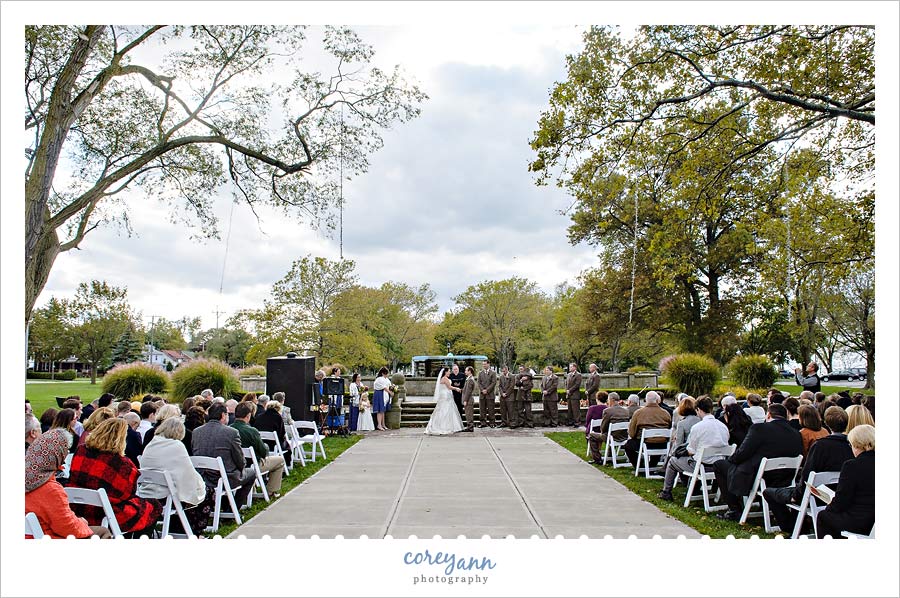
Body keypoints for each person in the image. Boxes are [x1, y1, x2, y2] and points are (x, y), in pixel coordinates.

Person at [764, 405, 854, 535]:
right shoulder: (852, 446)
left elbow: (807, 475)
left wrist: (797, 495)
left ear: (826, 423)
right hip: (839, 493)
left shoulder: (821, 446)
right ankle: (799, 524)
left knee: (768, 492)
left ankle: (792, 528)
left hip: (817, 495)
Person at [66, 418, 162, 537]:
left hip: (76, 507)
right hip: (105, 512)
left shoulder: (81, 450)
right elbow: (128, 494)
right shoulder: (122, 463)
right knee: (152, 506)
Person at [713, 403, 802, 521]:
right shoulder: (796, 432)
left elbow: (743, 452)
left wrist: (732, 460)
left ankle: (734, 509)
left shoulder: (759, 428)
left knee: (719, 465)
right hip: (786, 476)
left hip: (760, 475)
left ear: (769, 415)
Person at [25, 429, 112, 539]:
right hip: (47, 536)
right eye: (66, 451)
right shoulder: (50, 489)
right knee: (103, 531)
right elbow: (68, 528)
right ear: (58, 455)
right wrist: (81, 522)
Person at [138, 417, 214, 536]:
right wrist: (200, 483)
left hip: (147, 492)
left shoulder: (151, 444)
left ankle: (177, 526)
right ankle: (196, 531)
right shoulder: (177, 446)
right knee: (207, 492)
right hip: (166, 496)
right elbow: (188, 473)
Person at [658, 396, 729, 501]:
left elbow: (691, 451)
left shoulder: (698, 427)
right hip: (720, 465)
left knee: (673, 462)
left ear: (698, 410)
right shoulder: (723, 426)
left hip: (702, 466)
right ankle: (692, 488)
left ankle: (666, 492)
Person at [192, 402, 257, 508]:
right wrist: (241, 467)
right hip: (226, 478)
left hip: (202, 478)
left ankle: (225, 504)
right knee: (251, 473)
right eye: (227, 414)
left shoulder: (196, 432)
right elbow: (240, 461)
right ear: (223, 415)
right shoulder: (231, 433)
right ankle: (233, 508)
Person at [815, 424, 875, 538]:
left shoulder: (852, 466)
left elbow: (842, 500)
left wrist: (829, 508)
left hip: (860, 522)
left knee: (823, 516)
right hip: (873, 520)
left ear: (857, 444)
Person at [231, 402, 285, 498]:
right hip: (252, 465)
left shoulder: (229, 429)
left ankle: (253, 488)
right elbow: (263, 452)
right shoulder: (252, 431)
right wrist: (265, 447)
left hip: (235, 466)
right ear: (248, 415)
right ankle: (271, 491)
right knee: (280, 460)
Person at [623, 391, 672, 468]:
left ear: (646, 400)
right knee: (657, 440)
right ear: (658, 400)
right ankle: (652, 465)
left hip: (645, 443)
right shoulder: (665, 413)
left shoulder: (638, 413)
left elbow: (632, 433)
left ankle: (639, 466)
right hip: (663, 444)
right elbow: (669, 428)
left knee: (628, 445)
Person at [588, 393, 630, 463]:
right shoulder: (626, 411)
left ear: (612, 400)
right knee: (611, 433)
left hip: (611, 437)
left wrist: (603, 431)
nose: (607, 402)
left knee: (592, 435)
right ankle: (610, 456)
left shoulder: (608, 411)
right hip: (624, 437)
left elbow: (603, 427)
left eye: (608, 400)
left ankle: (597, 459)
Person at [424, 368, 464, 435]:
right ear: (445, 372)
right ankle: (445, 427)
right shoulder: (445, 378)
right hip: (446, 395)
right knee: (446, 409)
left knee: (445, 409)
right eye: (448, 371)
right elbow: (449, 387)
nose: (449, 373)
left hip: (445, 394)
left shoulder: (444, 378)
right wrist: (456, 388)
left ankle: (447, 426)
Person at [255, 400, 292, 466]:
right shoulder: (278, 417)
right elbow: (282, 433)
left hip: (261, 443)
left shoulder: (259, 416)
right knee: (287, 446)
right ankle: (286, 464)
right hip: (274, 444)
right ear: (278, 408)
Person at [477, 360, 498, 427]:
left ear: (488, 364)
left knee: (491, 409)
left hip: (490, 394)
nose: (484, 366)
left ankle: (492, 423)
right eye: (483, 364)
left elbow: (493, 383)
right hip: (482, 394)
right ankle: (483, 423)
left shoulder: (493, 373)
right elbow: (479, 383)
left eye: (485, 364)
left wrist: (487, 390)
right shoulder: (480, 373)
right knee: (482, 410)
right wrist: (482, 390)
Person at [372, 367, 394, 431]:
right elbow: (384, 387)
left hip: (384, 394)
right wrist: (390, 392)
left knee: (383, 410)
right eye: (386, 374)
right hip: (379, 394)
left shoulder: (386, 379)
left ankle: (383, 424)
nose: (387, 375)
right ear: (382, 373)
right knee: (380, 410)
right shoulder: (379, 379)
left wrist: (392, 388)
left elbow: (389, 386)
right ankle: (379, 425)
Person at [565, 363, 583, 428]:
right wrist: (567, 390)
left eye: (571, 367)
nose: (569, 368)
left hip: (575, 395)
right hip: (569, 395)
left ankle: (577, 422)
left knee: (575, 410)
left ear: (575, 367)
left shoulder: (578, 375)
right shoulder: (569, 375)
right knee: (569, 409)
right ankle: (570, 421)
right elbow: (566, 384)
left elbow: (577, 384)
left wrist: (570, 390)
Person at [461, 366, 477, 432]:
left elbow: (468, 391)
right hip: (468, 399)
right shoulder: (469, 378)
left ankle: (470, 427)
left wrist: (465, 400)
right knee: (468, 414)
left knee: (469, 414)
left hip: (469, 400)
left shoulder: (470, 380)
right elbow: (466, 390)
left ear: (469, 371)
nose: (465, 371)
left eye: (466, 370)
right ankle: (469, 426)